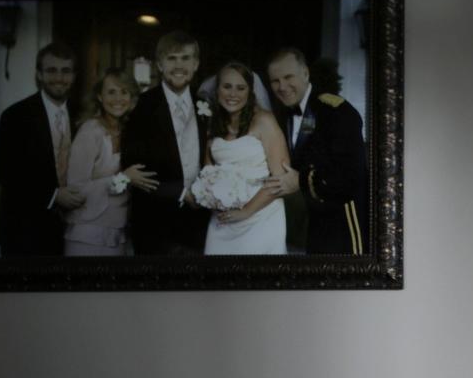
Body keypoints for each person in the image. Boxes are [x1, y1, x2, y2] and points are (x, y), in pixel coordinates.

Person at [260, 48, 369, 256]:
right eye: (275, 81)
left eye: (288, 77)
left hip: (344, 224)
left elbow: (350, 177)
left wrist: (300, 181)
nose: (282, 87)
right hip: (314, 225)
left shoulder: (337, 112)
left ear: (305, 73)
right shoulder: (282, 115)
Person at [121, 31, 210, 255]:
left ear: (196, 64)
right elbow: (135, 171)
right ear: (160, 65)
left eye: (185, 58)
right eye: (171, 59)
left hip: (199, 224)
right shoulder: (142, 106)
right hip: (155, 225)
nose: (178, 65)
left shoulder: (207, 106)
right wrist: (180, 193)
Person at [0, 42, 84, 256]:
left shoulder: (83, 113)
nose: (59, 78)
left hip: (73, 229)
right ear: (39, 74)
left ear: (74, 75)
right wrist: (51, 195)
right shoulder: (15, 116)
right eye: (51, 70)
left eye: (66, 71)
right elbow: (4, 173)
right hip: (26, 230)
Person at [194, 62, 290, 256]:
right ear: (217, 89)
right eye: (227, 86)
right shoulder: (213, 123)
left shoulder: (265, 121)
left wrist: (246, 210)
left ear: (250, 91)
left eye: (240, 88)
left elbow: (282, 178)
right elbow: (208, 171)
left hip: (262, 217)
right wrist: (209, 195)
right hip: (223, 219)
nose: (232, 94)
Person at [62, 69, 157, 256]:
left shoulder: (130, 132)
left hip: (119, 233)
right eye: (111, 92)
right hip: (87, 233)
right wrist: (123, 179)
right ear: (99, 96)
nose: (118, 98)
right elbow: (75, 189)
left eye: (124, 92)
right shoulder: (90, 131)